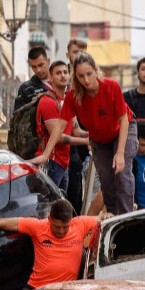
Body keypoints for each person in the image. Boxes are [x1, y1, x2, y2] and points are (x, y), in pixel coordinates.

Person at [0, 199, 108, 290]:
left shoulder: (79, 224)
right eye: (57, 227)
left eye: (65, 227)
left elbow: (105, 219)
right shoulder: (37, 226)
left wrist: (108, 216)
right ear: (49, 219)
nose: (61, 231)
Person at [47, 52, 139, 216]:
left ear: (96, 70)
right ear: (76, 76)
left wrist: (119, 153)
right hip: (99, 138)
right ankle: (113, 216)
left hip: (123, 130)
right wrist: (45, 154)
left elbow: (123, 120)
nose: (86, 80)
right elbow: (60, 125)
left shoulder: (111, 86)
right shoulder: (74, 96)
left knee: (122, 174)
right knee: (106, 179)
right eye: (81, 76)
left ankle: (127, 216)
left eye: (89, 74)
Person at [28, 60, 86, 193]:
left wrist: (93, 134)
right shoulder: (48, 101)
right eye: (58, 73)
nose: (63, 75)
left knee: (59, 207)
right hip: (50, 162)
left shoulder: (68, 101)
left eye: (65, 72)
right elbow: (58, 137)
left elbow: (76, 131)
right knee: (47, 205)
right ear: (50, 77)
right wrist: (86, 141)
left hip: (63, 163)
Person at [65, 38, 91, 213]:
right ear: (68, 55)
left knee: (85, 193)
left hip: (86, 141)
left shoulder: (89, 78)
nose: (79, 56)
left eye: (82, 52)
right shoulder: (62, 76)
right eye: (75, 52)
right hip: (68, 145)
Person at [13, 46, 53, 113]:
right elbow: (18, 116)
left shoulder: (61, 82)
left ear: (48, 61)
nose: (38, 70)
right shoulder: (26, 88)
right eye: (34, 67)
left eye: (41, 65)